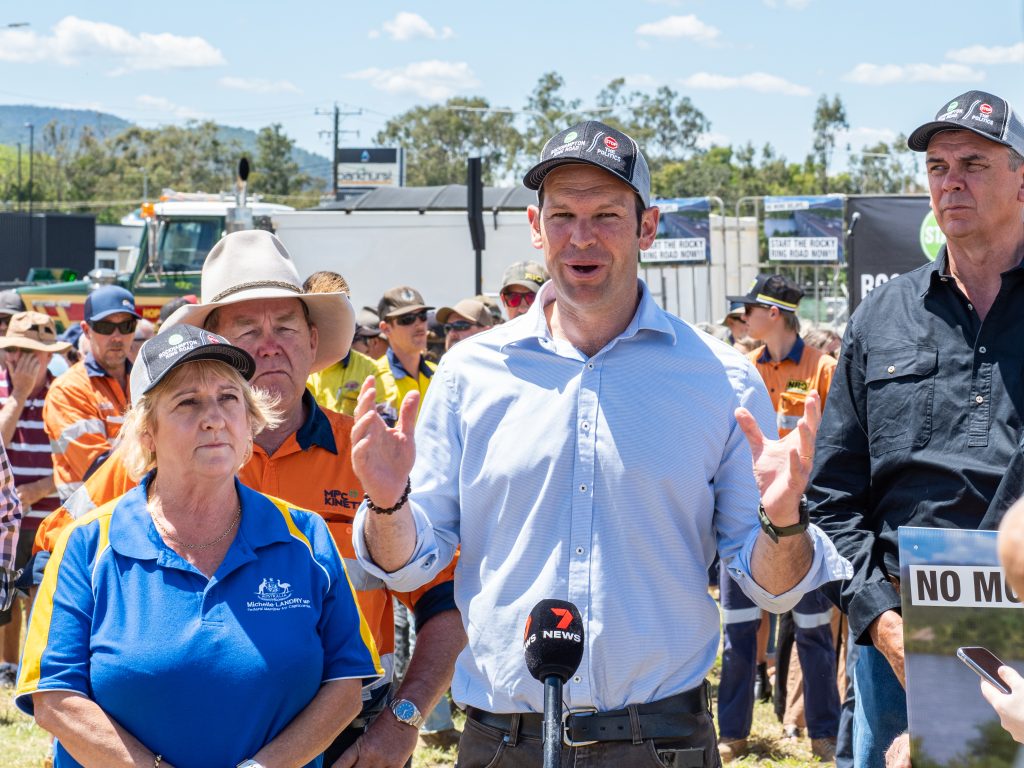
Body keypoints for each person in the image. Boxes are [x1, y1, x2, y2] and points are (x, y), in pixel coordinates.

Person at [351, 120, 851, 767]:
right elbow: (409, 564)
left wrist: (784, 522)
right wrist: (389, 504)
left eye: (606, 214)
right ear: (535, 226)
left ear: (648, 227)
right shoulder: (469, 375)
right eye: (562, 215)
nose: (581, 236)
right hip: (502, 744)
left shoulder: (720, 378)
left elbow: (771, 591)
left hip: (660, 744)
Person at [32, 230, 463, 768]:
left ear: (311, 339)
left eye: (284, 326)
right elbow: (57, 551)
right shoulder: (152, 454)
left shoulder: (372, 457)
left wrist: (404, 718)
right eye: (246, 328)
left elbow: (444, 603)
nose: (268, 344)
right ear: (212, 344)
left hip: (351, 734)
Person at [16, 324, 380, 767]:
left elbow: (346, 685)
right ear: (146, 431)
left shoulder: (305, 535)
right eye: (187, 402)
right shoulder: (87, 544)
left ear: (250, 421)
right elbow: (54, 697)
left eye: (229, 398)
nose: (214, 417)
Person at [809, 88, 1024, 768]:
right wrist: (881, 619)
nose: (950, 180)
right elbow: (831, 495)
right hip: (898, 633)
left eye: (973, 163)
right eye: (937, 166)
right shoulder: (881, 319)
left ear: (1023, 178)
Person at [716, 275, 840, 761]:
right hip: (745, 520)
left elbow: (838, 446)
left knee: (813, 632)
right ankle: (733, 734)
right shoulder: (742, 370)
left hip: (803, 524)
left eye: (750, 308)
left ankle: (823, 735)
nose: (743, 317)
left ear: (774, 313)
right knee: (739, 632)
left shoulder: (822, 368)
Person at [0, 312, 68, 671]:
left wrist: (40, 488)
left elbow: (82, 463)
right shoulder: (4, 390)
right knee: (6, 598)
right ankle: (8, 668)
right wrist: (19, 395)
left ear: (47, 356)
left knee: (42, 599)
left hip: (50, 518)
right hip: (7, 523)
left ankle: (35, 672)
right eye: (13, 351)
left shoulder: (64, 391)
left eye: (30, 353)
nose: (18, 360)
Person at [43, 285, 140, 503]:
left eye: (126, 325)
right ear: (86, 330)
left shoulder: (148, 382)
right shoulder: (68, 389)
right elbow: (98, 469)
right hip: (86, 528)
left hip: (136, 518)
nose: (117, 337)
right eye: (106, 327)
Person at [303, 272, 387, 418]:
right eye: (320, 309)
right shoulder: (287, 365)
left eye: (338, 309)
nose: (330, 319)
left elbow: (384, 421)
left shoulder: (371, 370)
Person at [375, 286, 436, 423]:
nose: (419, 324)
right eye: (407, 319)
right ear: (386, 328)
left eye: (422, 316)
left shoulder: (439, 374)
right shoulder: (373, 376)